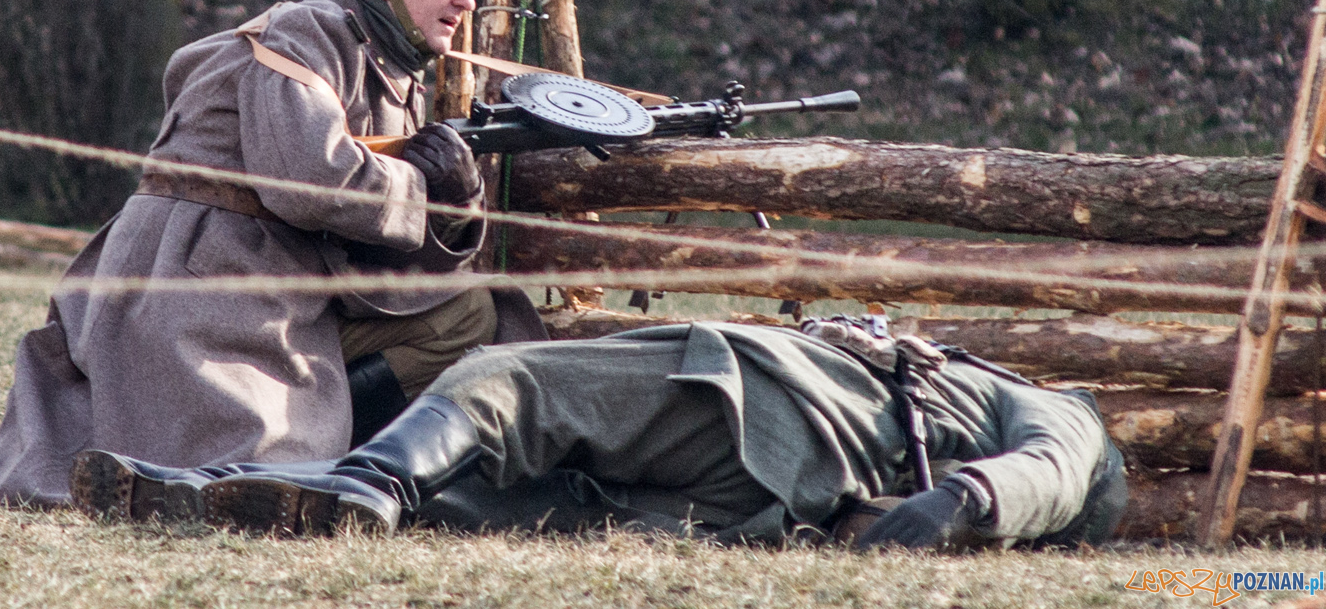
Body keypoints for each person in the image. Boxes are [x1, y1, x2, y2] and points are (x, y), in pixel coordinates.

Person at [0, 0, 546, 507]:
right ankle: (311, 463)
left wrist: (458, 201)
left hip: (265, 277)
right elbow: (309, 183)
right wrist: (422, 186)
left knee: (471, 316)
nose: (466, 1)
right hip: (198, 283)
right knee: (244, 469)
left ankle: (355, 458)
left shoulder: (382, 58)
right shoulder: (306, 32)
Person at [67, 317, 1127, 549]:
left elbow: (1055, 462)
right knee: (486, 504)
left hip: (749, 397)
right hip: (752, 507)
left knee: (508, 381)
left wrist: (961, 505)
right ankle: (216, 490)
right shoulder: (954, 385)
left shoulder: (1046, 402)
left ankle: (368, 482)